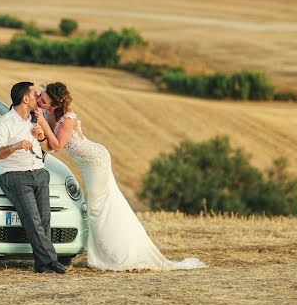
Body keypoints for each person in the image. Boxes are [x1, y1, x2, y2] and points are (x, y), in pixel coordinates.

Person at [35, 81, 206, 271]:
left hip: (95, 161)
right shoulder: (46, 113)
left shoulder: (67, 118)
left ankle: (111, 256)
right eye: (40, 96)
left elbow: (57, 146)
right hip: (86, 163)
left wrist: (42, 125)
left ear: (55, 104)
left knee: (97, 207)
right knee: (107, 204)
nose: (40, 100)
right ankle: (111, 251)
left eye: (43, 99)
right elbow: (48, 144)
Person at [0, 81, 67, 274]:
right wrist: (14, 146)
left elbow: (49, 147)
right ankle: (52, 260)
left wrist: (40, 137)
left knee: (44, 220)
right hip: (15, 176)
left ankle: (43, 266)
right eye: (34, 95)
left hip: (39, 173)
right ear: (25, 99)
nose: (38, 98)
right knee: (33, 221)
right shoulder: (3, 124)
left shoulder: (35, 119)